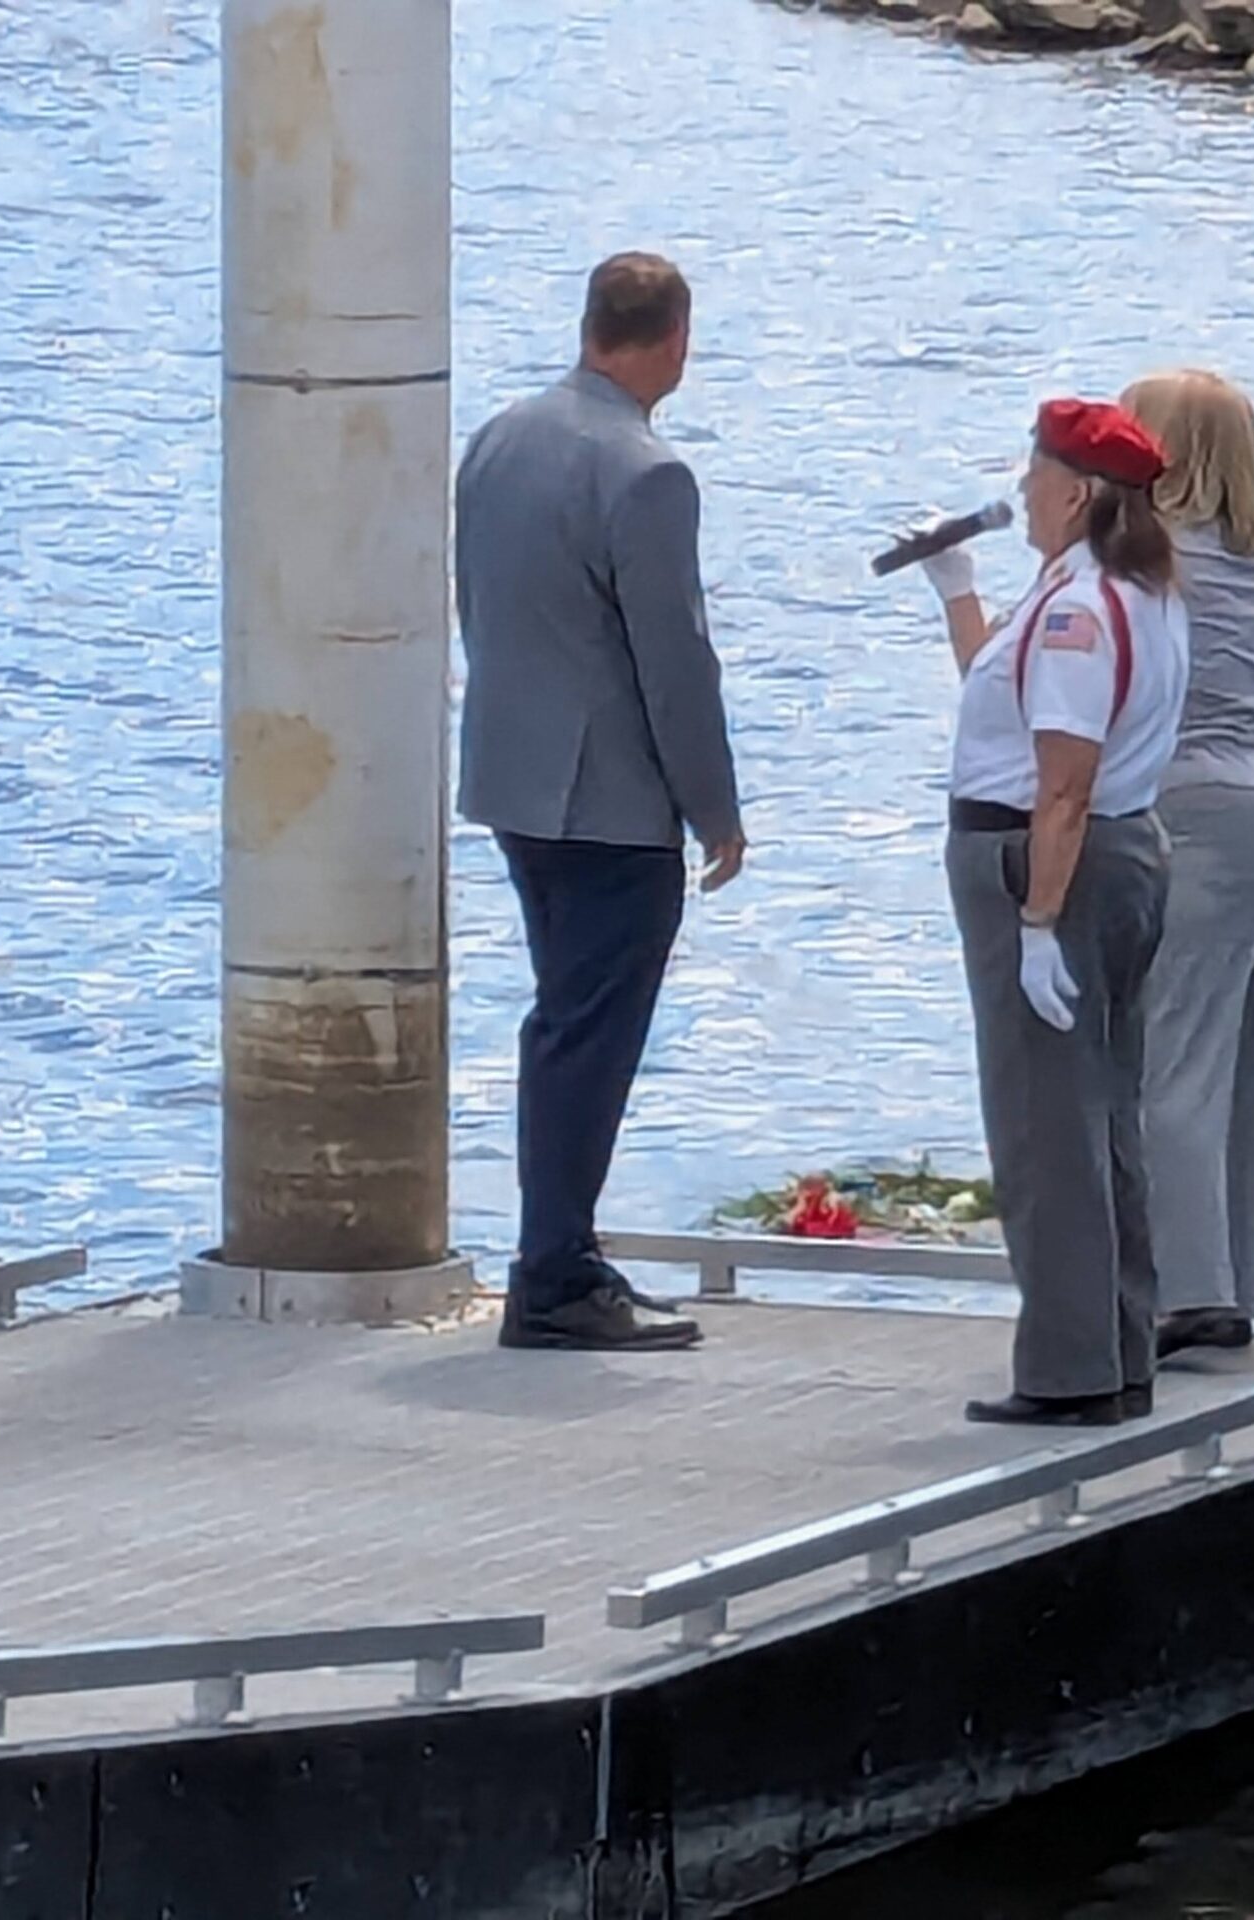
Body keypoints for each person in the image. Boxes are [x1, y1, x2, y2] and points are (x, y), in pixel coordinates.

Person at [455, 253, 746, 1353]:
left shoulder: (500, 438)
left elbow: (481, 599)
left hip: (516, 782)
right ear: (674, 340)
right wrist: (713, 808)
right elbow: (675, 661)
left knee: (559, 1021)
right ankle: (556, 1272)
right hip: (610, 802)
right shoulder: (647, 473)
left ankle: (556, 1253)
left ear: (589, 328)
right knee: (589, 1034)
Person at [911, 399, 1191, 1426]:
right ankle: (1116, 1352)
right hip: (1101, 855)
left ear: (1075, 493)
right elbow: (1009, 708)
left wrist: (1036, 925)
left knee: (1044, 1129)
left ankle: (1069, 1371)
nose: (1019, 492)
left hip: (1050, 865)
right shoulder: (1111, 590)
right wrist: (957, 593)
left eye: (1033, 476)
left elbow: (1060, 781)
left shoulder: (1077, 611)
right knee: (1097, 1111)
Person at [1120, 369, 1254, 1356]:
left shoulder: (1153, 563)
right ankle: (1233, 1274)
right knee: (1246, 1063)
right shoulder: (1253, 569)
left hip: (1194, 808)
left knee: (1173, 1057)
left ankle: (1184, 1291)